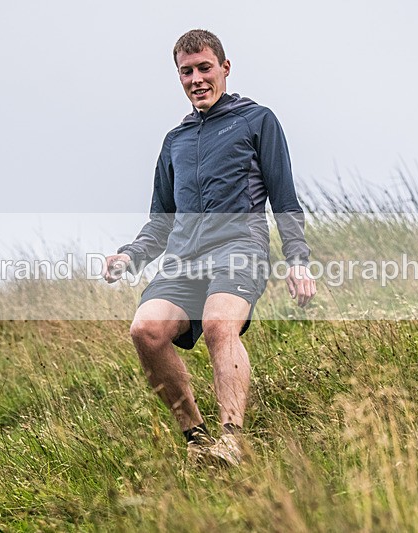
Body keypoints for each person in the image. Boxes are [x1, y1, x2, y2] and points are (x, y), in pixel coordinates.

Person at [102, 29, 315, 467]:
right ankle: (198, 442)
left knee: (221, 324)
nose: (197, 79)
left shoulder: (256, 121)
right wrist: (130, 255)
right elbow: (160, 223)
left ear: (224, 68)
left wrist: (298, 261)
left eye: (204, 68)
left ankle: (231, 441)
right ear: (178, 76)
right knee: (146, 331)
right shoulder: (174, 142)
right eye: (187, 71)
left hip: (240, 248)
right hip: (182, 259)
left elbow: (285, 200)